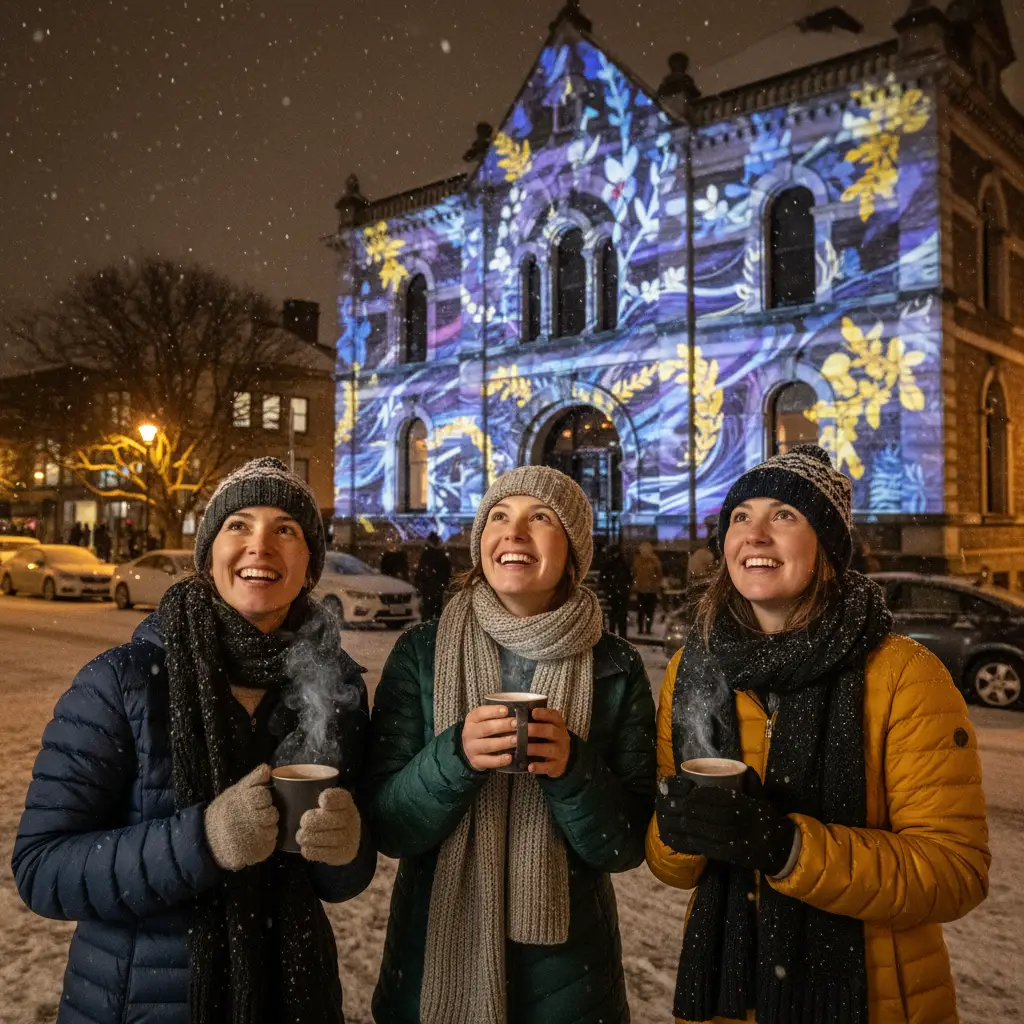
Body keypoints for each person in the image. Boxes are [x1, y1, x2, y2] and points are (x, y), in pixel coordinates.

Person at [13, 456, 376, 1024]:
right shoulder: (123, 680)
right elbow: (42, 869)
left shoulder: (335, 686)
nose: (261, 545)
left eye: (286, 529)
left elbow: (339, 881)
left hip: (295, 1000)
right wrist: (202, 840)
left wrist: (348, 847)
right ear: (208, 558)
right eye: (239, 525)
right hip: (141, 1003)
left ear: (309, 567)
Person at [646, 444, 990, 1024]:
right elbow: (672, 866)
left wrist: (787, 848)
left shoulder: (902, 674)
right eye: (739, 517)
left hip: (871, 1001)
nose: (754, 534)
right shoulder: (694, 671)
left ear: (827, 547)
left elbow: (955, 872)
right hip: (728, 1001)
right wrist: (678, 832)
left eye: (783, 515)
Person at [367, 466, 656, 1023]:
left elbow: (624, 846)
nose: (514, 532)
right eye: (499, 516)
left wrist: (573, 767)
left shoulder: (615, 666)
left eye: (539, 518)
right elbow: (387, 825)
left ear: (571, 551)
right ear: (481, 543)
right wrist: (457, 756)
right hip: (430, 963)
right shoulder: (422, 654)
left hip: (570, 981)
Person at [413, 531, 452, 622]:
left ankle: (429, 627)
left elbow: (420, 572)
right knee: (434, 609)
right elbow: (446, 572)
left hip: (430, 588)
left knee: (429, 611)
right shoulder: (440, 555)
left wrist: (419, 585)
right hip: (435, 588)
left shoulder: (427, 555)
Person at [599, 542, 632, 637]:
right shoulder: (621, 563)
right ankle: (619, 637)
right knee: (618, 618)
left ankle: (617, 637)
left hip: (616, 594)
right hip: (618, 594)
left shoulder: (611, 563)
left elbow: (603, 578)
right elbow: (629, 578)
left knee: (616, 618)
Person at [632, 540, 662, 635]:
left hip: (642, 589)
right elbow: (659, 574)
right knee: (649, 611)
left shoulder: (638, 560)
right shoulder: (654, 560)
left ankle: (641, 629)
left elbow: (634, 572)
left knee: (642, 611)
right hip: (651, 590)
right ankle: (647, 629)